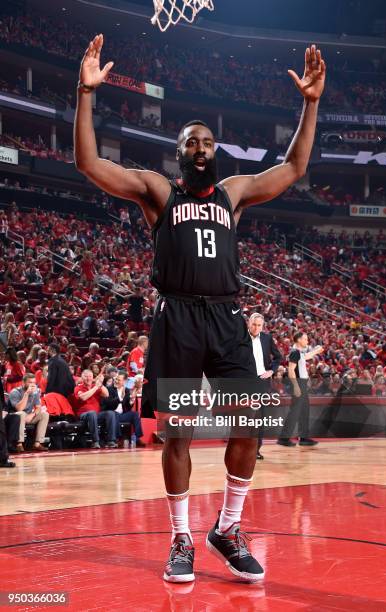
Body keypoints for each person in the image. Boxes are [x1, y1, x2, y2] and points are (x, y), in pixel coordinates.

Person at [74, 34, 325, 583]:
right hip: (179, 317)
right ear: (179, 152)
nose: (201, 148)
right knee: (178, 433)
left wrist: (309, 103)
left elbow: (294, 167)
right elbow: (90, 162)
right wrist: (85, 92)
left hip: (227, 318)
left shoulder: (234, 194)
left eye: (208, 141)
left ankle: (227, 528)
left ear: (218, 151)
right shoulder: (160, 193)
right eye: (192, 142)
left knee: (251, 425)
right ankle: (181, 538)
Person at [277, 331, 324, 447]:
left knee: (304, 411)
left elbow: (307, 356)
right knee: (295, 412)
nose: (307, 341)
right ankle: (284, 438)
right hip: (298, 384)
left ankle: (303, 437)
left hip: (301, 384)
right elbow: (291, 370)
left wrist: (316, 351)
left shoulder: (298, 352)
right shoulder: (295, 353)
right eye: (305, 339)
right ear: (299, 340)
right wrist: (296, 386)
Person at [247, 313, 282, 460]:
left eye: (259, 325)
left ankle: (256, 449)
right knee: (244, 416)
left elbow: (278, 356)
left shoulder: (267, 338)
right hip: (245, 382)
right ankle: (243, 448)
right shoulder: (240, 337)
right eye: (254, 324)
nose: (256, 328)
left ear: (262, 326)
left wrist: (271, 371)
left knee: (259, 417)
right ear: (249, 324)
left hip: (262, 381)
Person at [73, 369, 115, 448]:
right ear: (82, 378)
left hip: (96, 415)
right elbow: (83, 397)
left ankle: (111, 440)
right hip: (83, 415)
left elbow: (106, 394)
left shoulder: (95, 386)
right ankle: (95, 441)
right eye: (86, 376)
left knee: (110, 413)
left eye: (90, 376)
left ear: (93, 378)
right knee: (92, 413)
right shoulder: (78, 388)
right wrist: (96, 387)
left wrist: (101, 384)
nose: (88, 378)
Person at [102, 370, 145, 447]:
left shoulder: (126, 390)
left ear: (124, 381)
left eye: (119, 380)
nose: (116, 381)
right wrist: (120, 398)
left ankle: (137, 438)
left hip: (122, 414)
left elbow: (128, 406)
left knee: (135, 414)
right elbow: (108, 404)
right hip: (111, 413)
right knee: (114, 415)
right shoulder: (108, 389)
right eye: (116, 379)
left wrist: (132, 399)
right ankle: (118, 439)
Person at [8, 373, 49, 452]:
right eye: (30, 382)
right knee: (21, 414)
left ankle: (37, 443)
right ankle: (19, 444)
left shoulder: (35, 392)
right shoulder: (15, 392)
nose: (32, 385)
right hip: (15, 417)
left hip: (28, 416)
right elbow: (19, 409)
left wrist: (32, 414)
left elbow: (38, 407)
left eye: (34, 383)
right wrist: (26, 394)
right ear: (23, 383)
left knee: (44, 414)